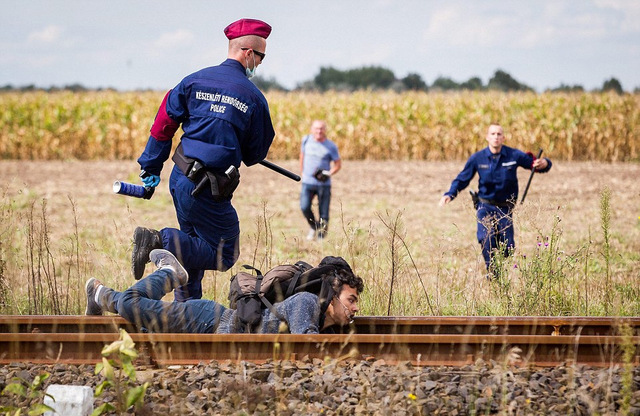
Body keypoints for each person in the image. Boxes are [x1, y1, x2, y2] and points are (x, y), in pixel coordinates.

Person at [132, 18, 276, 302]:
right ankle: (158, 240)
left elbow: (163, 126)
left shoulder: (192, 81)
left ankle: (187, 315)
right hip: (207, 189)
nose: (259, 64)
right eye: (261, 57)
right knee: (224, 253)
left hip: (180, 179)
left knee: (190, 255)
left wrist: (150, 167)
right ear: (248, 53)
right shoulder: (253, 97)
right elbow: (255, 154)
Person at [85, 249, 364, 334]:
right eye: (350, 300)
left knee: (138, 329)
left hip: (208, 327)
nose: (355, 309)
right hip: (208, 320)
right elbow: (308, 351)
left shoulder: (319, 320)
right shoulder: (307, 303)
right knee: (133, 305)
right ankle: (169, 274)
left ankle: (99, 296)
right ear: (330, 298)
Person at [439, 124, 552, 278]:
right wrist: (450, 194)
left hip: (505, 208)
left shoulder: (513, 155)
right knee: (486, 238)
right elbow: (462, 179)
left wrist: (544, 163)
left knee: (508, 247)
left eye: (499, 134)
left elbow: (534, 164)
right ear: (487, 137)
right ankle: (493, 274)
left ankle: (501, 268)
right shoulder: (477, 158)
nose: (496, 137)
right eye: (493, 134)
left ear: (503, 138)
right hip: (485, 205)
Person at [299, 120, 341, 240]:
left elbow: (338, 164)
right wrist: (302, 172)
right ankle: (314, 226)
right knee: (304, 206)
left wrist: (328, 173)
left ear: (325, 130)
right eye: (316, 129)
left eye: (321, 128)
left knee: (324, 212)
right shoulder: (306, 140)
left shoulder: (331, 146)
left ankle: (321, 237)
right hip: (308, 182)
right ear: (312, 129)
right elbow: (302, 156)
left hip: (324, 184)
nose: (319, 131)